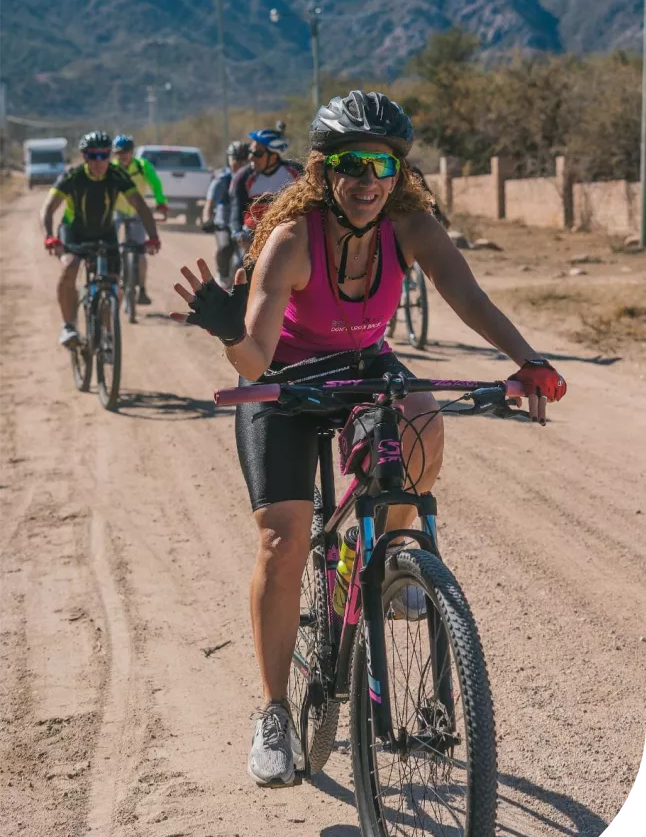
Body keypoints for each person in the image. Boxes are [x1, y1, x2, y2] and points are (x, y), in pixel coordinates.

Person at [170, 90, 567, 788]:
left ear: (398, 173)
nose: (367, 180)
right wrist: (229, 328)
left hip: (362, 366)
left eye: (381, 165)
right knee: (283, 540)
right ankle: (273, 713)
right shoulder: (293, 240)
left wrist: (526, 361)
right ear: (323, 172)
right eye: (351, 164)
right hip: (287, 383)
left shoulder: (410, 227)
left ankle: (385, 563)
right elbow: (255, 358)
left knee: (424, 418)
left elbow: (468, 297)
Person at [41, 131, 161, 347]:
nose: (99, 162)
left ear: (109, 156)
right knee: (70, 266)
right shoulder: (73, 176)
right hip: (74, 231)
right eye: (93, 156)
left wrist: (153, 237)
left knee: (114, 283)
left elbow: (140, 206)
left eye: (104, 156)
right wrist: (49, 236)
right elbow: (48, 208)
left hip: (106, 233)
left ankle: (107, 333)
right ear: (84, 156)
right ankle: (68, 326)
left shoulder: (116, 175)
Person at [112, 134, 168, 305]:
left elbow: (156, 184)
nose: (122, 156)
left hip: (137, 212)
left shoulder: (142, 166)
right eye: (119, 152)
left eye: (126, 152)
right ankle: (111, 284)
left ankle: (142, 290)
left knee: (141, 251)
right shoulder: (112, 168)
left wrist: (161, 203)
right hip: (118, 211)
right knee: (110, 246)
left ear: (132, 152)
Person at [228, 128, 302, 242]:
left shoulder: (297, 173)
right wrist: (237, 232)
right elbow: (236, 209)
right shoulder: (243, 177)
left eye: (257, 153)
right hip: (252, 235)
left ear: (273, 156)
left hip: (285, 234)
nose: (250, 157)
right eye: (250, 151)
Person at [201, 141, 250, 288]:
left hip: (245, 223)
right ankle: (222, 274)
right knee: (225, 247)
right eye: (235, 159)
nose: (239, 164)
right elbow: (209, 205)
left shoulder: (252, 178)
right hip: (223, 223)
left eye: (243, 160)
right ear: (229, 159)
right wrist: (207, 221)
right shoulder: (222, 180)